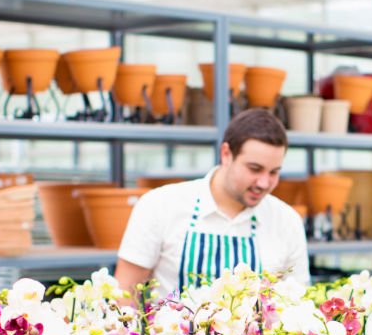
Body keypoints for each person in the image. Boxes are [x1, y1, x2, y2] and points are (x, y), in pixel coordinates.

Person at [115, 108, 310, 297]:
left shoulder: (286, 221)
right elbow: (125, 294)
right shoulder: (159, 206)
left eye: (274, 172)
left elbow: (297, 302)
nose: (264, 183)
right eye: (254, 169)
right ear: (226, 154)